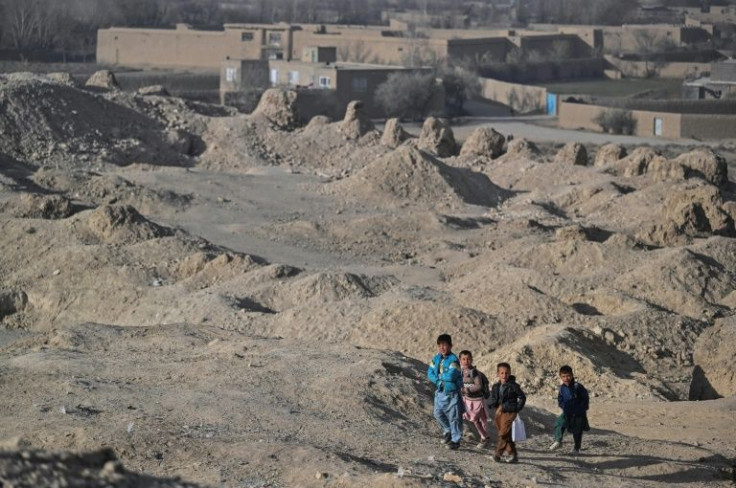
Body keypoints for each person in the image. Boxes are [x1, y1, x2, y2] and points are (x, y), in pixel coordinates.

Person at [427, 334, 464, 450]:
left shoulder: (454, 360)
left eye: (445, 345)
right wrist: (438, 381)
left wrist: (438, 376)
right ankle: (448, 430)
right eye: (440, 345)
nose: (443, 348)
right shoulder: (436, 358)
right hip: (440, 391)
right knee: (437, 413)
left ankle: (455, 440)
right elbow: (429, 373)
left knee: (454, 417)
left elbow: (451, 376)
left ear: (450, 346)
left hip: (452, 393)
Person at [488, 362, 526, 463]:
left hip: (510, 412)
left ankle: (497, 455)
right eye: (502, 373)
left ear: (510, 373)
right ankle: (513, 455)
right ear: (498, 374)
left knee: (502, 434)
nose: (504, 375)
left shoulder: (513, 386)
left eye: (507, 373)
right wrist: (493, 404)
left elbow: (522, 397)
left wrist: (516, 408)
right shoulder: (496, 386)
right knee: (506, 435)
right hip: (499, 413)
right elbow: (494, 399)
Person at [549, 365, 590, 455]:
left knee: (577, 431)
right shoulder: (562, 388)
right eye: (563, 376)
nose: (566, 378)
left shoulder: (578, 386)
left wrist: (581, 408)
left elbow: (585, 398)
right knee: (559, 423)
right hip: (567, 412)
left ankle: (576, 448)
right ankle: (558, 441)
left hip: (578, 413)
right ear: (560, 376)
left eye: (568, 376)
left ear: (572, 375)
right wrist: (564, 406)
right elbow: (560, 399)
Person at [458, 350, 491, 449]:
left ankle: (484, 438)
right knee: (473, 420)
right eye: (463, 359)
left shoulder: (474, 372)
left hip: (477, 401)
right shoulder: (461, 371)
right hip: (467, 400)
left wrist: (467, 389)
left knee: (480, 421)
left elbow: (479, 386)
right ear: (460, 360)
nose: (466, 361)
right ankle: (483, 437)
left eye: (468, 359)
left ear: (471, 359)